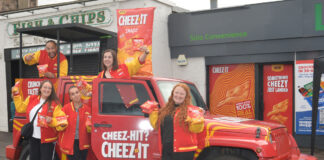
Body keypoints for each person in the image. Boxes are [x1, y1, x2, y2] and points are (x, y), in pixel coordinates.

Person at [142, 83, 205, 160]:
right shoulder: (165, 109)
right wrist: (153, 112)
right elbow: (156, 125)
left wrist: (197, 122)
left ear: (186, 96)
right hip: (167, 149)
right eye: (176, 92)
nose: (178, 95)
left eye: (182, 94)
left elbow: (196, 129)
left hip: (183, 152)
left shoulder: (192, 110)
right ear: (172, 94)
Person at [12, 80, 67, 160]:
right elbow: (20, 108)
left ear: (51, 91)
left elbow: (62, 122)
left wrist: (51, 121)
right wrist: (16, 95)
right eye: (45, 87)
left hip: (48, 140)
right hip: (33, 138)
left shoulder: (55, 104)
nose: (47, 90)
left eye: (49, 88)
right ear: (40, 89)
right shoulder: (31, 98)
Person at [58, 86, 91, 160]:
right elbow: (58, 126)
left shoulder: (88, 109)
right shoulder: (65, 109)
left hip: (83, 143)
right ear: (70, 97)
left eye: (77, 92)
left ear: (80, 94)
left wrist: (90, 127)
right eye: (73, 94)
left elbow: (90, 129)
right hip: (70, 143)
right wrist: (61, 125)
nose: (76, 95)